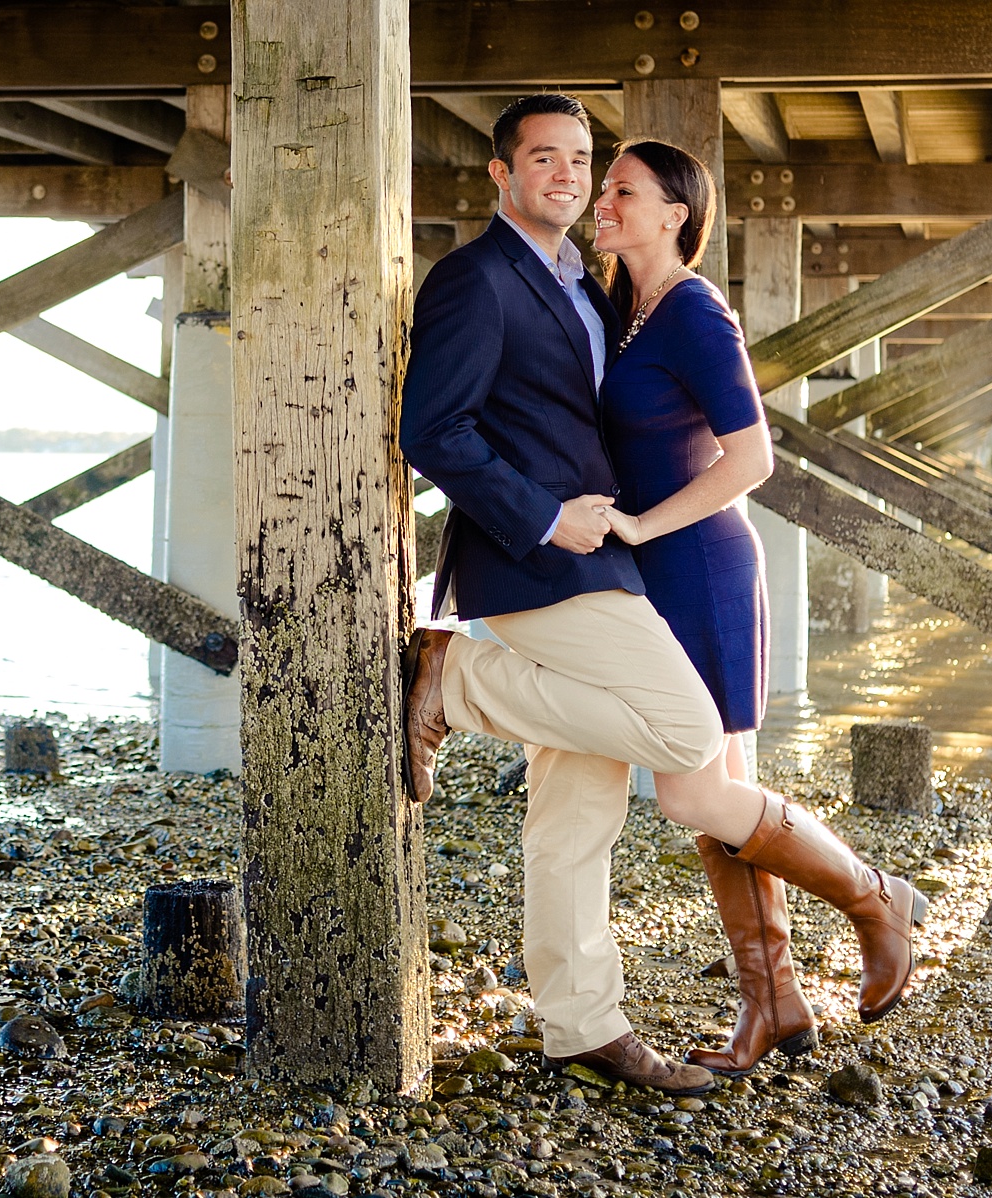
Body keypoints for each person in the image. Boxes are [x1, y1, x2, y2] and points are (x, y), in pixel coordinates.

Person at [400, 94, 726, 1096]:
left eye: (581, 158)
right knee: (686, 732)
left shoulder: (586, 286)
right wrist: (544, 515)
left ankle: (584, 1023)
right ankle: (453, 678)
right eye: (543, 157)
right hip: (536, 561)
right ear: (502, 174)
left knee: (576, 816)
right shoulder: (474, 281)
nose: (567, 174)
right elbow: (435, 432)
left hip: (598, 558)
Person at [589, 138, 925, 1075]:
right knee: (718, 801)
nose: (603, 201)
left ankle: (875, 898)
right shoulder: (621, 308)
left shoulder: (694, 311)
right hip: (659, 565)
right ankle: (772, 1004)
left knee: (692, 790)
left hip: (696, 562)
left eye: (624, 190)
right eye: (605, 188)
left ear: (675, 215)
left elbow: (754, 458)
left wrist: (647, 528)